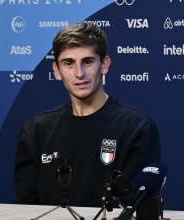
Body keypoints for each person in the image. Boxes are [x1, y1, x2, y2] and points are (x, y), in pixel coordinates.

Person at [14, 22, 161, 207]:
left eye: (88, 62)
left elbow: (133, 207)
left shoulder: (137, 128)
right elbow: (26, 209)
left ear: (104, 65)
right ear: (57, 71)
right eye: (69, 63)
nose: (79, 73)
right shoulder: (35, 131)